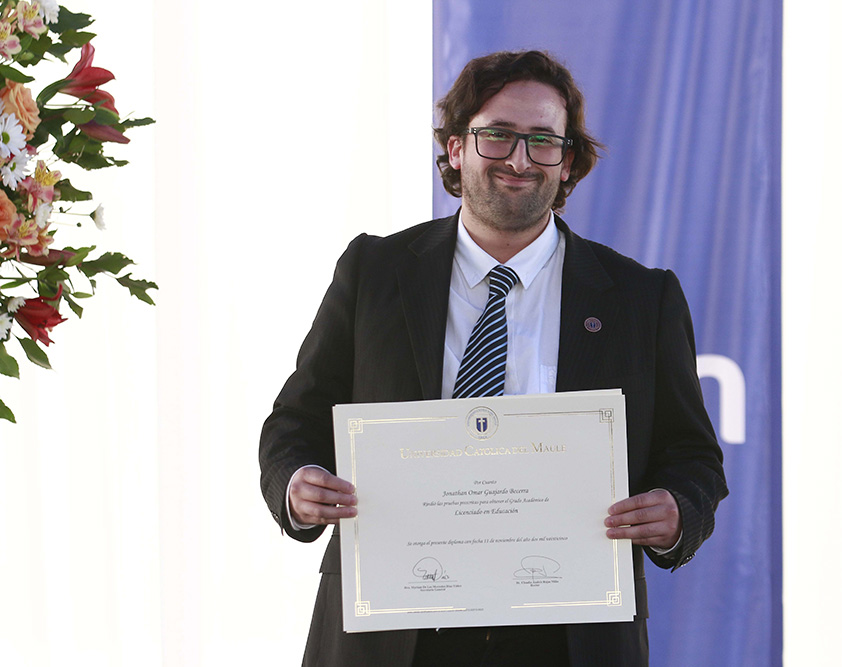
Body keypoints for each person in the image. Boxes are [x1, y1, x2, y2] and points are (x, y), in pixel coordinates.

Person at [260, 50, 727, 667]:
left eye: (543, 141)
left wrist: (677, 512)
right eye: (498, 135)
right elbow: (295, 423)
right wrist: (297, 485)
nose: (520, 159)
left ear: (567, 162)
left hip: (569, 635)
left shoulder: (642, 297)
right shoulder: (374, 272)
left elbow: (693, 456)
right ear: (456, 148)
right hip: (393, 632)